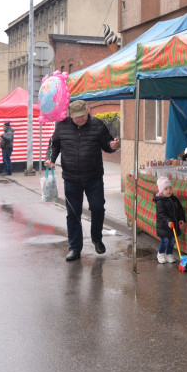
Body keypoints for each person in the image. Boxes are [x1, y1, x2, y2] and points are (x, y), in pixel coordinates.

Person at [46, 101, 119, 262]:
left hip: (93, 177)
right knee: (73, 214)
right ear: (70, 114)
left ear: (87, 111)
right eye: (77, 117)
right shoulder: (61, 126)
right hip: (71, 178)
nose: (80, 119)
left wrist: (112, 145)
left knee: (98, 208)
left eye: (83, 116)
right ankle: (74, 248)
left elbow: (107, 143)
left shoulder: (97, 124)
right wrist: (50, 159)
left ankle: (96, 238)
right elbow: (53, 145)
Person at [154, 177, 187, 264]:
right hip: (164, 226)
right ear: (161, 191)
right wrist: (168, 221)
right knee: (165, 240)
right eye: (165, 189)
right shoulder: (160, 202)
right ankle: (160, 254)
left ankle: (169, 254)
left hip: (174, 225)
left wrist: (181, 219)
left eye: (170, 188)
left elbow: (180, 210)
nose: (168, 190)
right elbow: (161, 214)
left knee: (172, 241)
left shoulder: (174, 199)